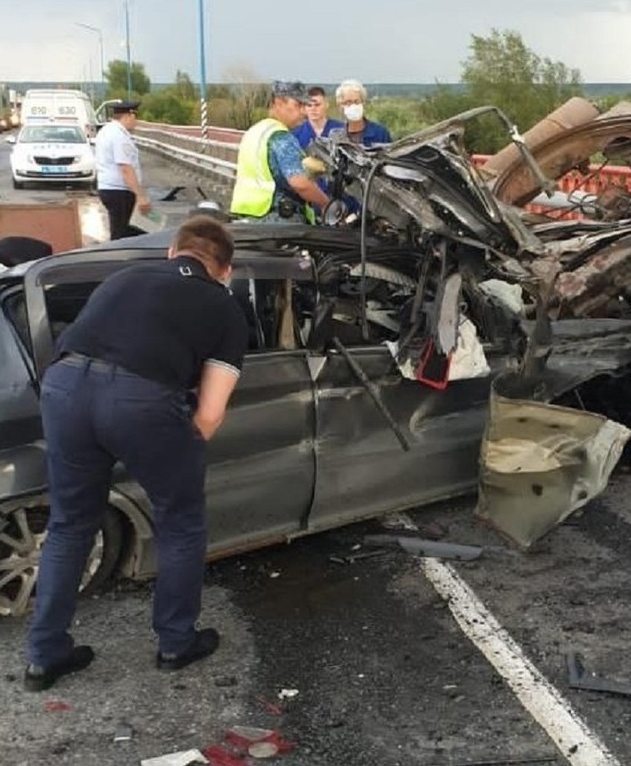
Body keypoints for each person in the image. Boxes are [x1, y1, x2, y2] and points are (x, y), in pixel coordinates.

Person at [23, 215, 249, 691]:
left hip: (63, 386)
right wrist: (176, 450)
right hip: (140, 399)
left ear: (172, 252)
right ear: (225, 270)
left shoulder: (124, 276)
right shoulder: (225, 308)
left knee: (70, 523)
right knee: (180, 521)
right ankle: (175, 643)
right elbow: (209, 414)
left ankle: (45, 656)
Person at [230, 80, 329, 223]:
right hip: (279, 221)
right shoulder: (281, 137)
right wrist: (327, 204)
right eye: (298, 105)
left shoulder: (255, 131)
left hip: (249, 218)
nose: (304, 112)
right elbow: (299, 183)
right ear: (278, 103)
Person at [94, 99, 149, 239]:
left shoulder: (106, 131)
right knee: (120, 234)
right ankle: (117, 258)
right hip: (119, 191)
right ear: (128, 115)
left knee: (127, 231)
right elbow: (125, 167)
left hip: (110, 188)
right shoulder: (119, 136)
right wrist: (140, 195)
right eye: (135, 117)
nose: (136, 121)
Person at [333, 78, 392, 147]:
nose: (353, 106)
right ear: (341, 106)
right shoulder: (337, 136)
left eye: (357, 101)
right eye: (348, 102)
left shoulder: (380, 133)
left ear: (363, 103)